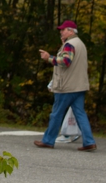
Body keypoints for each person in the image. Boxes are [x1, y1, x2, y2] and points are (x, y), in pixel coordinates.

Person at [35, 20, 97, 151]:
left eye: (63, 30)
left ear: (71, 31)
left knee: (56, 114)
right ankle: (89, 142)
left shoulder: (70, 44)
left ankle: (48, 140)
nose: (61, 32)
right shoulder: (80, 44)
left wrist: (48, 57)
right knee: (80, 114)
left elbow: (65, 61)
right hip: (80, 85)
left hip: (66, 87)